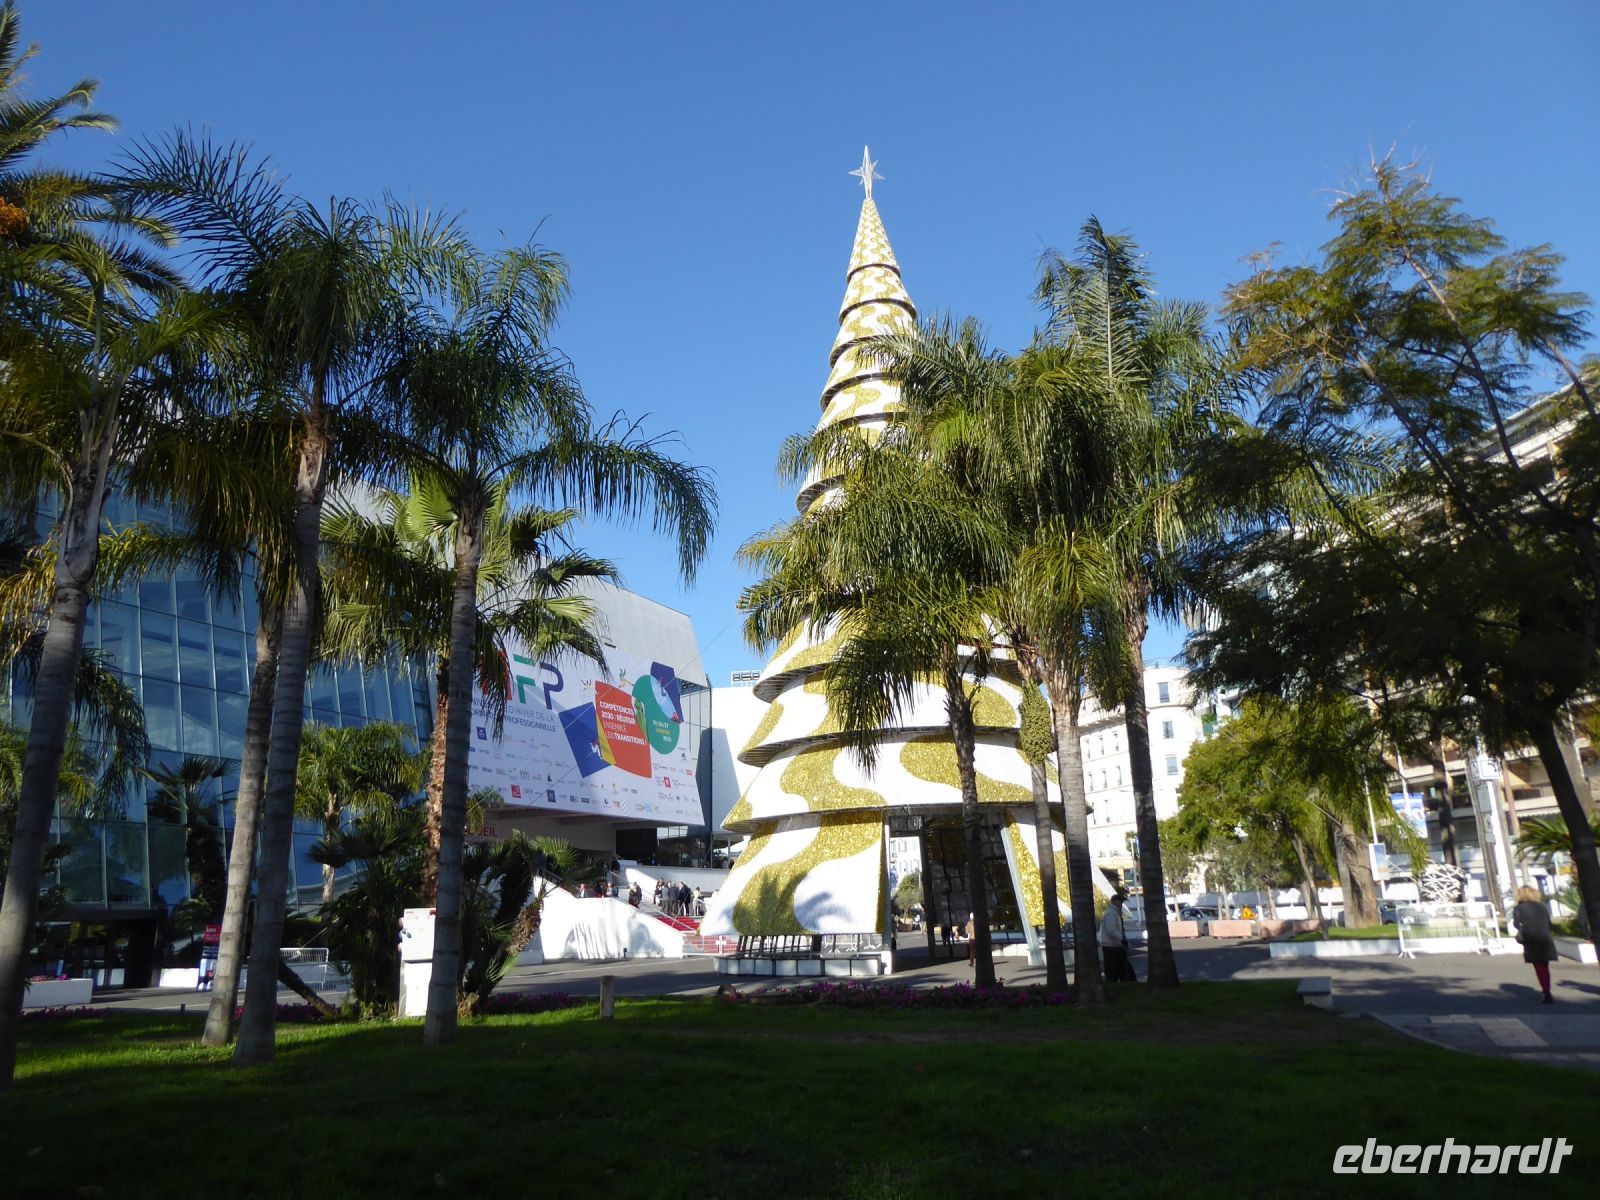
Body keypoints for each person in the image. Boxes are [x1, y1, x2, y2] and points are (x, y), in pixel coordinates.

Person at [1512, 885, 1558, 1003]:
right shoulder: (1542, 906)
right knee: (1545, 967)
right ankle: (1547, 989)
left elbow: (1516, 924)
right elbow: (1549, 923)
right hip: (1545, 938)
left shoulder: (1519, 908)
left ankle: (1546, 991)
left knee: (1539, 967)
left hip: (1531, 940)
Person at [1100, 892, 1137, 982]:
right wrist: (1121, 939)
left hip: (1115, 946)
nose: (1121, 904)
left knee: (1122, 969)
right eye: (1120, 902)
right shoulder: (1111, 913)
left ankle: (1124, 986)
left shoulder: (1114, 913)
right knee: (1113, 972)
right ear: (1115, 902)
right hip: (1110, 946)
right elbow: (1111, 930)